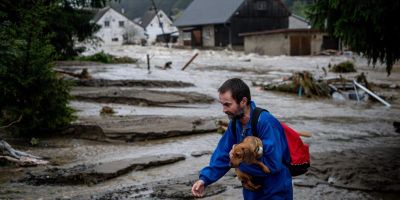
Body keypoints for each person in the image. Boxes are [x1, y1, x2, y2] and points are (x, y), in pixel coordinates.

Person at [191, 78, 293, 199]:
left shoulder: (266, 123)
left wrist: (238, 163)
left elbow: (272, 165)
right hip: (251, 193)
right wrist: (204, 180)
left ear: (243, 101)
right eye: (222, 104)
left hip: (275, 193)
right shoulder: (235, 124)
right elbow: (223, 154)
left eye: (228, 104)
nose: (224, 110)